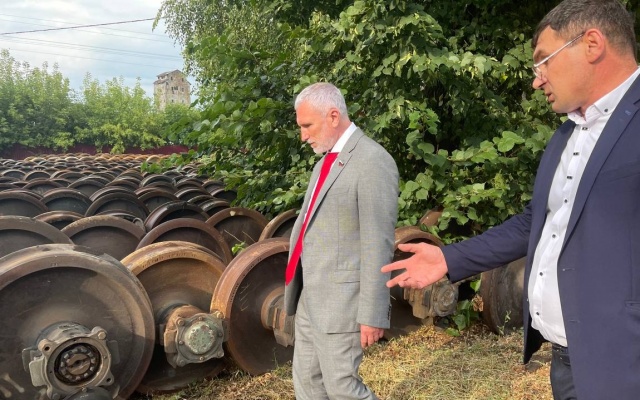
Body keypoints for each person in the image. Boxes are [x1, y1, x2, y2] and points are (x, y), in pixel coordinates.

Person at [381, 0, 639, 399]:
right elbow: (536, 221)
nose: (537, 81)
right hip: (567, 362)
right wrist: (448, 259)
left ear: (592, 44)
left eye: (543, 61)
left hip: (625, 367)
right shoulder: (566, 136)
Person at [284, 82, 399, 399]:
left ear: (333, 116)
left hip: (343, 304)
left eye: (307, 126)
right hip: (311, 297)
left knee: (343, 389)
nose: (303, 136)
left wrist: (372, 314)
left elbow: (377, 243)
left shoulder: (372, 161)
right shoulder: (325, 162)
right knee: (308, 382)